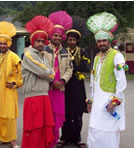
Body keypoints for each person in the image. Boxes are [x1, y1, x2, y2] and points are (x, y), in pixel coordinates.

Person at [86, 12, 127, 148]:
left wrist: (116, 100)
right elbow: (93, 80)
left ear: (109, 41)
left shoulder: (117, 56)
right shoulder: (97, 57)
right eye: (99, 41)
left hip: (109, 100)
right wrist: (91, 99)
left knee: (108, 132)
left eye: (104, 40)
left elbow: (121, 81)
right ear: (96, 42)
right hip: (97, 100)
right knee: (94, 128)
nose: (101, 43)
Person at [21, 15, 55, 148]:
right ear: (32, 42)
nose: (41, 44)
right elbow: (46, 72)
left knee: (43, 130)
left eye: (43, 41)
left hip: (44, 96)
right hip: (33, 97)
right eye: (38, 41)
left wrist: (48, 73)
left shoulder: (42, 56)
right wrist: (48, 73)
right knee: (34, 130)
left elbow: (50, 73)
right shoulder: (29, 55)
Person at [57, 16, 90, 148]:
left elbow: (86, 67)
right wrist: (73, 68)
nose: (72, 42)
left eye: (74, 40)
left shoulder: (82, 52)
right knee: (65, 113)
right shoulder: (62, 52)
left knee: (77, 114)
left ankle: (77, 138)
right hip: (65, 86)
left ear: (77, 41)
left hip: (78, 87)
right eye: (70, 40)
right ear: (67, 40)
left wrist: (71, 67)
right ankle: (64, 137)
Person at [43, 11, 73, 148]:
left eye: (60, 36)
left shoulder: (66, 51)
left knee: (56, 119)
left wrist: (62, 81)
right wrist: (51, 81)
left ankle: (53, 142)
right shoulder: (43, 50)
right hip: (47, 88)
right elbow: (41, 67)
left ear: (63, 37)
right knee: (46, 118)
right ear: (51, 36)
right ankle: (45, 141)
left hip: (59, 89)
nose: (57, 38)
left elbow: (69, 69)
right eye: (55, 35)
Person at [0, 21, 23, 148]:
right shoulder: (0, 56)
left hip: (9, 91)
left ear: (9, 44)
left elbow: (21, 73)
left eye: (5, 43)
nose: (2, 46)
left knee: (9, 115)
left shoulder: (14, 57)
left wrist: (15, 84)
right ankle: (2, 137)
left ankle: (12, 142)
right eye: (0, 43)